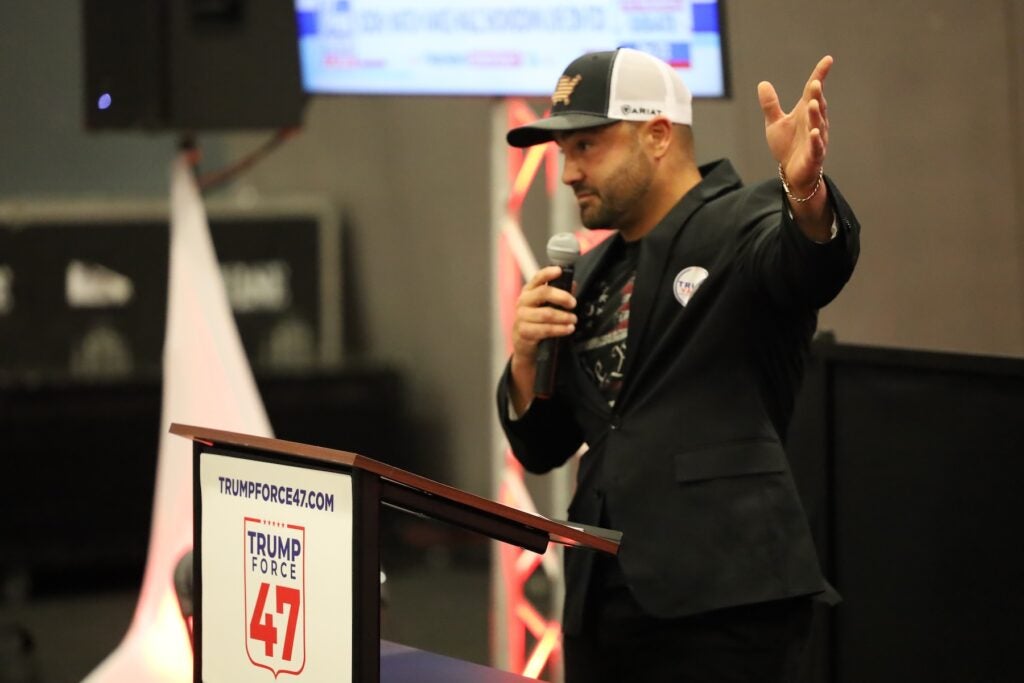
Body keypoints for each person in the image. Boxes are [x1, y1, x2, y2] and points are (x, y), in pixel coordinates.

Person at [496, 47, 860, 682]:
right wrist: (526, 359)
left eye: (586, 146)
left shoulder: (745, 223)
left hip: (724, 600)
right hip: (600, 600)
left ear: (657, 135)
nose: (568, 172)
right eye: (562, 152)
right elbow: (544, 445)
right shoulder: (589, 275)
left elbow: (813, 263)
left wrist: (803, 191)